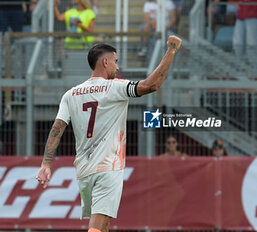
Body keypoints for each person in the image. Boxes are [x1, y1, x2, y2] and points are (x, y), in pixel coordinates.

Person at [36, 35, 182, 232]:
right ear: (105, 62)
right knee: (97, 226)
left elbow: (57, 129)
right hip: (107, 167)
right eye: (115, 61)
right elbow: (151, 86)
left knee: (102, 225)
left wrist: (46, 163)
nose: (117, 67)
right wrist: (171, 51)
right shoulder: (115, 87)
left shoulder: (70, 94)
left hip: (84, 171)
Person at [231, 0, 257, 75]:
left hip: (253, 15)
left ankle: (254, 67)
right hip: (241, 16)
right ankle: (238, 65)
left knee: (252, 43)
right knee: (237, 43)